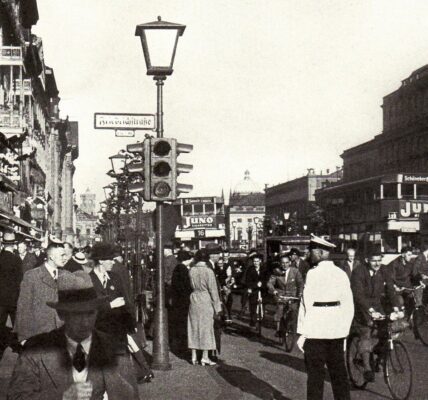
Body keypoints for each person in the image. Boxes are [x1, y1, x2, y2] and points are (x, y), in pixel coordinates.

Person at [7, 270, 139, 400]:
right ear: (61, 314)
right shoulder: (36, 349)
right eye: (77, 315)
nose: (85, 322)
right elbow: (16, 396)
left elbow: (131, 396)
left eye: (90, 313)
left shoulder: (115, 348)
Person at [297, 234, 354, 400]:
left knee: (315, 377)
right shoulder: (341, 274)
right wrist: (344, 330)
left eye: (312, 250)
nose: (310, 253)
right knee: (339, 376)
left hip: (316, 332)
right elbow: (348, 305)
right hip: (336, 332)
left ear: (321, 252)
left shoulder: (312, 274)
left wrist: (302, 333)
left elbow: (306, 305)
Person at [89, 242, 153, 384]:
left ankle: (141, 373)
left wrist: (130, 322)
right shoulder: (88, 280)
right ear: (100, 261)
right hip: (98, 331)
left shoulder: (115, 278)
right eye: (110, 259)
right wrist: (110, 305)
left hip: (117, 329)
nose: (113, 262)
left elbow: (124, 300)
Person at [351, 249, 400, 382]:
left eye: (379, 260)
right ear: (367, 260)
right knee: (365, 333)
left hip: (378, 306)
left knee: (389, 330)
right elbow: (358, 295)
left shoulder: (384, 270)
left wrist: (396, 307)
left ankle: (378, 351)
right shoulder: (358, 272)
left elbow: (390, 289)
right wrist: (370, 311)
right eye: (374, 260)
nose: (377, 263)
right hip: (362, 308)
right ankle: (367, 368)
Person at [14, 242, 69, 342]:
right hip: (39, 334)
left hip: (60, 334)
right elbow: (23, 307)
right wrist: (24, 337)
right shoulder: (32, 276)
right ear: (51, 257)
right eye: (62, 255)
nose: (66, 258)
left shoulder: (66, 275)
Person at [188, 249, 222, 366]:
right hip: (205, 300)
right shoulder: (209, 272)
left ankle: (193, 356)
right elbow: (213, 291)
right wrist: (218, 308)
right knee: (206, 328)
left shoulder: (191, 270)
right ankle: (205, 357)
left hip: (194, 299)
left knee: (193, 327)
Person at [267, 254, 303, 337]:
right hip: (281, 294)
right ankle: (279, 329)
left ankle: (292, 327)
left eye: (287, 262)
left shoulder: (295, 271)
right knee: (280, 308)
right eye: (283, 263)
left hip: (292, 295)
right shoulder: (276, 271)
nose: (285, 265)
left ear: (290, 263)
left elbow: (300, 283)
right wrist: (274, 290)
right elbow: (270, 283)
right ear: (280, 263)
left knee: (294, 310)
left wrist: (300, 293)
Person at [0, 232, 22, 358]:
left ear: (3, 244)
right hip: (14, 299)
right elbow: (20, 280)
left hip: (0, 299)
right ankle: (18, 347)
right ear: (14, 245)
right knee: (16, 324)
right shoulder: (16, 259)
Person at [170, 250, 193, 356]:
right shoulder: (183, 269)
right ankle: (182, 348)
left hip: (177, 301)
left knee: (178, 325)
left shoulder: (177, 268)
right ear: (187, 259)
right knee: (182, 325)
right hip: (183, 302)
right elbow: (186, 287)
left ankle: (178, 346)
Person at [246, 253, 268, 328]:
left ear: (260, 261)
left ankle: (263, 320)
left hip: (262, 290)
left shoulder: (264, 269)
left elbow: (267, 279)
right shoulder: (250, 269)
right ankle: (253, 321)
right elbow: (248, 281)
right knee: (253, 306)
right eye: (254, 261)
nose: (255, 263)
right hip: (253, 290)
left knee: (263, 305)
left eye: (257, 261)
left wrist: (262, 284)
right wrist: (255, 285)